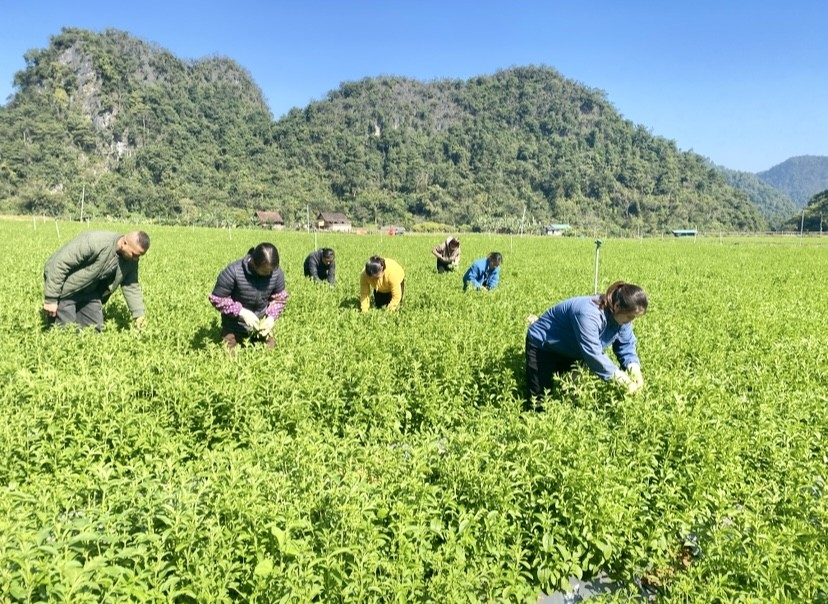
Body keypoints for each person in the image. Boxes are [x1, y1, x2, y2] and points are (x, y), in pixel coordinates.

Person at [525, 281, 648, 403]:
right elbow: (593, 353)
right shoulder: (588, 313)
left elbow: (626, 345)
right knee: (540, 400)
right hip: (544, 346)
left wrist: (634, 370)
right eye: (631, 317)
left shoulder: (622, 318)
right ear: (617, 306)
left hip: (573, 349)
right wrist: (622, 380)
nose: (632, 321)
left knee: (573, 397)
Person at [42, 230, 150, 331]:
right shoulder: (95, 242)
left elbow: (131, 285)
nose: (136, 259)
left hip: (90, 292)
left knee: (94, 331)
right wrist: (51, 299)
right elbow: (59, 264)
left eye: (139, 256)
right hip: (66, 289)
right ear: (124, 243)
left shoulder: (130, 260)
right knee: (65, 332)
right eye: (135, 254)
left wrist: (138, 314)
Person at [209, 243, 288, 350]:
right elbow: (217, 298)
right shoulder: (234, 271)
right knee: (228, 360)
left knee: (270, 354)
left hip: (261, 325)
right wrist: (242, 312)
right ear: (254, 264)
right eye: (266, 271)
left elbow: (279, 298)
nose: (270, 273)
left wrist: (271, 318)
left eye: (272, 270)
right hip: (234, 325)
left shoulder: (276, 273)